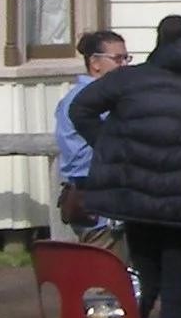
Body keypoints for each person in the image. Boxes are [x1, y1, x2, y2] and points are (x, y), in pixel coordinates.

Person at [67, 16, 181, 318]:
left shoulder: (131, 79)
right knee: (175, 291)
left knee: (143, 284)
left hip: (138, 197)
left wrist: (109, 147)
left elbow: (79, 109)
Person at [53, 27, 128, 246]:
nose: (125, 65)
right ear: (95, 62)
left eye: (126, 58)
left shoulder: (74, 96)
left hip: (88, 197)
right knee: (107, 273)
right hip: (99, 202)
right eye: (118, 59)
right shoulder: (94, 100)